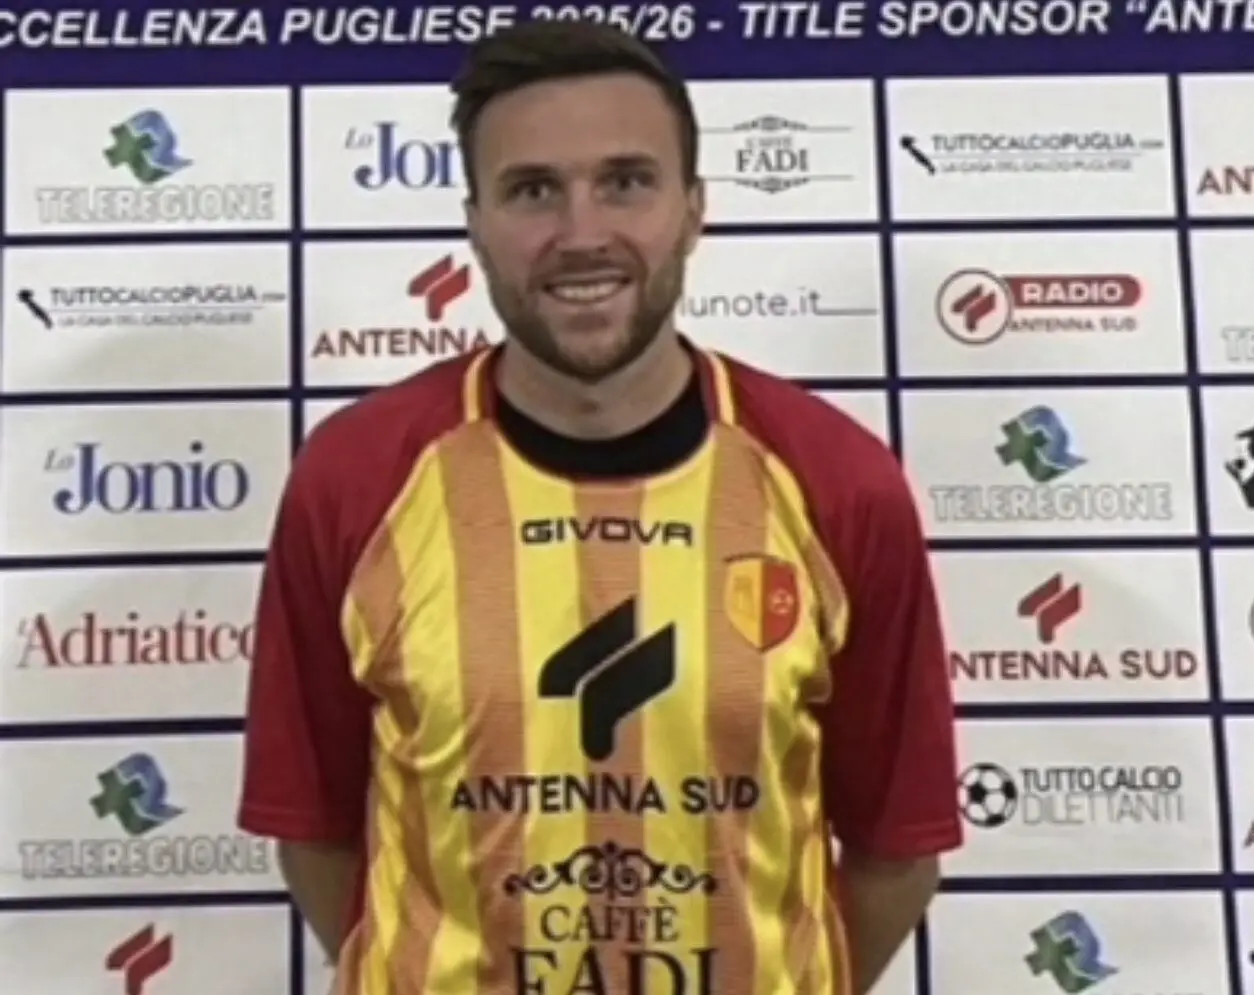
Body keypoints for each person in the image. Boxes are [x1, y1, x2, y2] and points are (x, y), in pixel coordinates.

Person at [237, 19, 961, 995]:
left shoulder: (837, 483)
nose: (581, 234)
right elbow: (315, 831)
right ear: (475, 221)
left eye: (625, 181)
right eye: (532, 190)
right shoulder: (356, 479)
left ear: (693, 208)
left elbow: (896, 849)